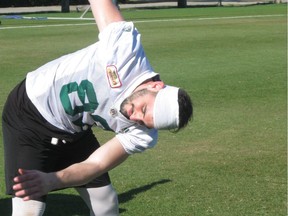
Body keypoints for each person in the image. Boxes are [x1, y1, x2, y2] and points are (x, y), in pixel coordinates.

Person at [1, 0, 193, 215]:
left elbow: (94, 166)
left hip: (73, 129)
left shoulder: (144, 135)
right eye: (144, 109)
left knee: (106, 204)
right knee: (30, 209)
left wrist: (53, 180)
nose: (135, 117)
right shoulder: (125, 50)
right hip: (29, 112)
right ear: (156, 85)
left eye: (145, 121)